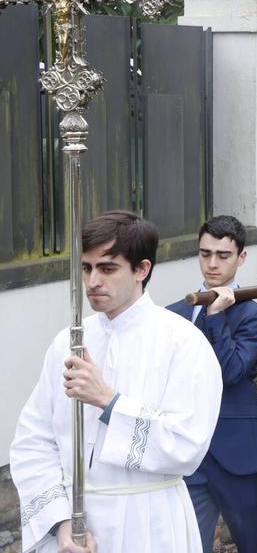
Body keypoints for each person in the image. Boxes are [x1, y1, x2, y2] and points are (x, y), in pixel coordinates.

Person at [11, 211, 222, 553]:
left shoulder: (183, 343)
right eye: (86, 267)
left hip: (148, 523)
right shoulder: (68, 342)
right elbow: (33, 440)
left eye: (107, 268)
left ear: (142, 269)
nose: (93, 281)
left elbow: (187, 445)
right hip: (70, 532)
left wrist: (109, 401)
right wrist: (62, 523)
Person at [165, 216, 257, 553]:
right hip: (187, 454)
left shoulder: (254, 315)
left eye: (223, 255)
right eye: (205, 253)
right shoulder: (173, 314)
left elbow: (230, 372)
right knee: (188, 545)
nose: (212, 263)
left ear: (241, 258)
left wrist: (216, 316)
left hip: (239, 452)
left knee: (253, 544)